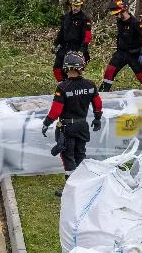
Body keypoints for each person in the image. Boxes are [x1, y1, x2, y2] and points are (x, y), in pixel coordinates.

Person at [41, 51, 103, 197]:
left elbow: (56, 110)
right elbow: (98, 103)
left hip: (66, 128)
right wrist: (97, 118)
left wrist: (46, 123)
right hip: (82, 126)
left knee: (68, 157)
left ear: (66, 68)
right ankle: (82, 186)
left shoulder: (63, 87)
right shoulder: (90, 85)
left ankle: (71, 190)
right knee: (80, 154)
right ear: (81, 67)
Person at [99, 0, 142, 92]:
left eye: (117, 14)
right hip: (121, 53)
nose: (115, 16)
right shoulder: (120, 21)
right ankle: (101, 93)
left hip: (135, 55)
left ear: (123, 11)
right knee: (109, 72)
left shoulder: (136, 23)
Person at [52, 0, 92, 82]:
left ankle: (74, 87)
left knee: (74, 71)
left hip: (77, 48)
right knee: (57, 69)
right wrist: (55, 44)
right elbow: (61, 32)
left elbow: (87, 37)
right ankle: (63, 85)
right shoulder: (66, 17)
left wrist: (81, 51)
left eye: (77, 6)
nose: (75, 7)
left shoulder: (85, 19)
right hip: (64, 47)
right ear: (71, 4)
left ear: (81, 5)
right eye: (74, 5)